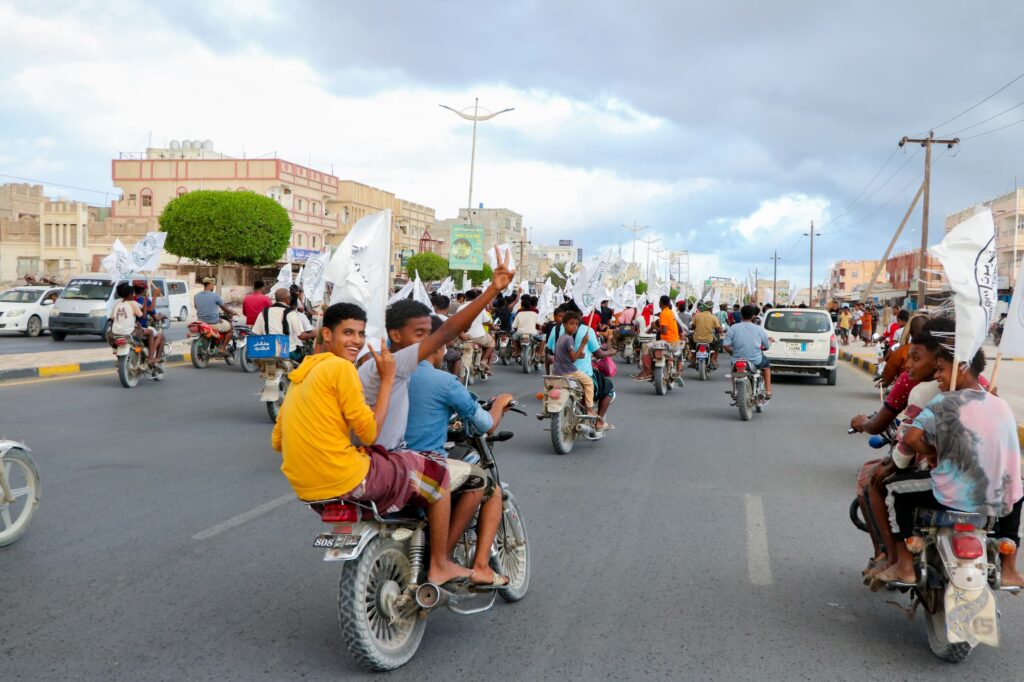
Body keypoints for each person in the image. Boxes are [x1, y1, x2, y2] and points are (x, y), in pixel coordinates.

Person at [273, 302, 474, 588]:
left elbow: (277, 440)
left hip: (306, 488)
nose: (356, 340)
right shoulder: (343, 368)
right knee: (437, 474)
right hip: (346, 476)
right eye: (348, 333)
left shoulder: (300, 376)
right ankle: (440, 565)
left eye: (360, 333)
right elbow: (368, 433)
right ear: (326, 334)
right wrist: (389, 380)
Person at [878, 339, 1024, 586]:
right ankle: (1010, 568)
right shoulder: (1001, 405)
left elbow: (912, 438)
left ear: (962, 368)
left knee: (893, 490)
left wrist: (934, 453)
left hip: (952, 494)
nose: (937, 376)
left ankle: (904, 566)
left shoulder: (943, 402)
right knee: (1017, 489)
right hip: (998, 496)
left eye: (941, 369)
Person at [405, 314, 515, 587]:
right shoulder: (443, 381)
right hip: (421, 464)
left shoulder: (381, 371)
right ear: (438, 345)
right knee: (486, 484)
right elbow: (486, 425)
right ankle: (461, 564)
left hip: (383, 463)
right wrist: (500, 404)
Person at [547, 308, 613, 431]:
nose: (575, 327)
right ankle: (590, 410)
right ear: (565, 324)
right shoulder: (570, 338)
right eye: (572, 324)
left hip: (557, 370)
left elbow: (554, 351)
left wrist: (579, 354)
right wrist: (583, 344)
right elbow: (575, 358)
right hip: (569, 371)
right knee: (590, 383)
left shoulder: (557, 331)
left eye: (576, 324)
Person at [252, 288, 315, 363]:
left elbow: (256, 333)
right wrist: (315, 333)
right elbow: (301, 336)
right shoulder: (291, 313)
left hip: (268, 351)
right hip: (287, 352)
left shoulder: (264, 312)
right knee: (304, 361)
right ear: (287, 299)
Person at [722, 304, 772, 398]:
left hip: (737, 360)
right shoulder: (759, 329)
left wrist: (732, 353)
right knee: (766, 365)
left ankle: (735, 391)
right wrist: (768, 344)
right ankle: (768, 390)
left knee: (734, 370)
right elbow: (766, 346)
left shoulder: (733, 328)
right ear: (753, 316)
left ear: (741, 315)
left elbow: (725, 345)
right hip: (756, 360)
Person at [194, 277, 237, 351]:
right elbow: (224, 308)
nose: (213, 286)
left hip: (201, 322)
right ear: (210, 285)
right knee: (230, 329)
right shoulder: (215, 296)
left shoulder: (196, 296)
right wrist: (232, 312)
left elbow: (197, 307)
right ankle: (222, 348)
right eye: (213, 285)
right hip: (213, 323)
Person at [461, 290, 495, 377]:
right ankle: (483, 360)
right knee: (492, 343)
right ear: (476, 297)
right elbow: (487, 322)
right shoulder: (480, 308)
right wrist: (493, 327)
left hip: (464, 336)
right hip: (479, 336)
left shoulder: (461, 307)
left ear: (466, 297)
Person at [132, 281, 165, 368]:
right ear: (144, 290)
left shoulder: (130, 300)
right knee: (160, 336)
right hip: (140, 328)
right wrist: (155, 296)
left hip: (130, 327)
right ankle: (154, 358)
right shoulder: (143, 301)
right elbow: (154, 316)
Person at [690, 302, 723, 368]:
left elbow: (692, 327)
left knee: (691, 343)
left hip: (696, 339)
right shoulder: (714, 317)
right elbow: (719, 330)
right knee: (718, 342)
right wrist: (720, 330)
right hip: (709, 339)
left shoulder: (697, 315)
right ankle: (713, 360)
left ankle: (693, 359)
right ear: (711, 308)